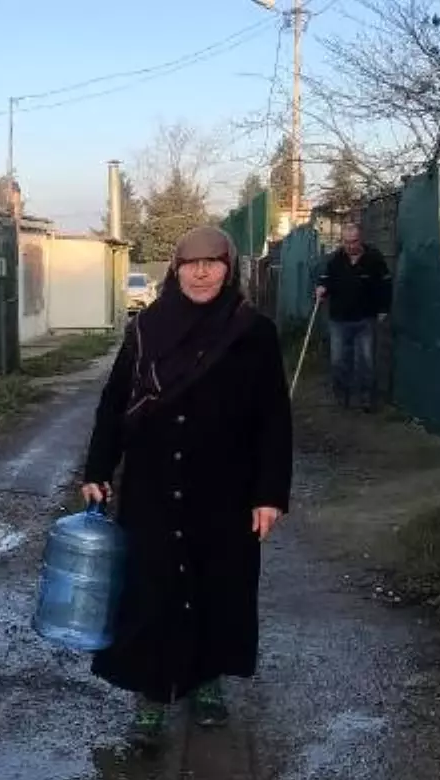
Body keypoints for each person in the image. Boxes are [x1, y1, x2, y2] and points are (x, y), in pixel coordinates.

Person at [81, 225, 293, 749]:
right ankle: (150, 700)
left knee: (216, 586)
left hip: (225, 487)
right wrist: (97, 469)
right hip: (153, 484)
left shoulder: (252, 331)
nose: (201, 272)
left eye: (213, 262)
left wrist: (269, 494)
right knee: (150, 591)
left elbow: (273, 418)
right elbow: (113, 402)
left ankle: (206, 683)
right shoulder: (147, 329)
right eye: (190, 263)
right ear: (175, 271)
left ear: (230, 268)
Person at [314, 223, 392, 412]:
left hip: (366, 318)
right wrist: (321, 289)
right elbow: (325, 280)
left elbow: (385, 285)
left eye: (354, 241)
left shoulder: (374, 259)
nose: (350, 246)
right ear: (342, 241)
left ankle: (366, 399)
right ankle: (342, 396)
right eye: (347, 242)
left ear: (361, 239)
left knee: (366, 361)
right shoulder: (334, 261)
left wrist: (383, 309)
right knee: (339, 361)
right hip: (339, 320)